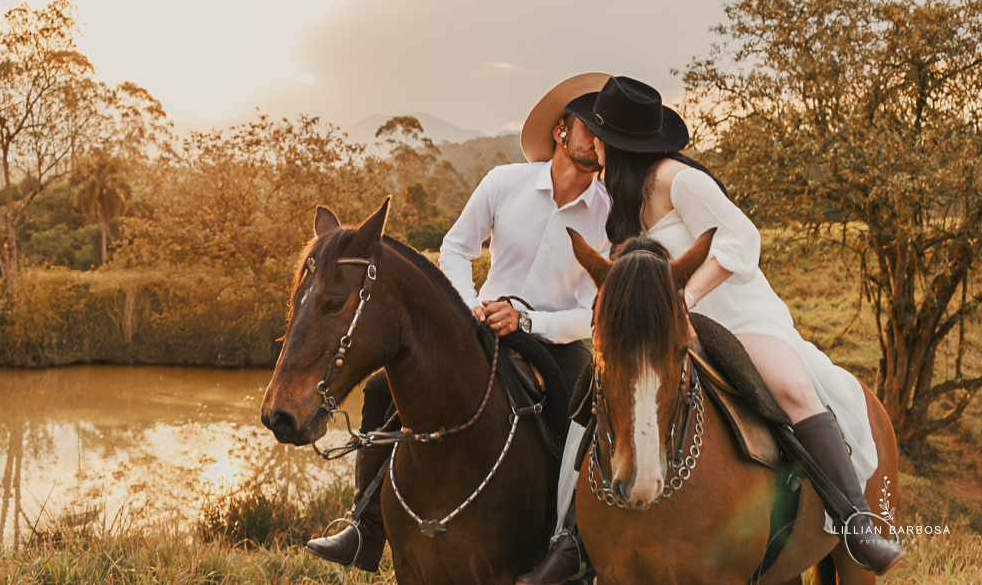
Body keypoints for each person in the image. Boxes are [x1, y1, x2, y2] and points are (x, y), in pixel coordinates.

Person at [530, 76, 904, 578]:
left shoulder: (676, 179)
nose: (589, 142)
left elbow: (742, 239)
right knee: (586, 398)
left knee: (791, 386)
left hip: (735, 312)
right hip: (665, 327)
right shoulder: (616, 193)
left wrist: (685, 295)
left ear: (615, 142)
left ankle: (856, 522)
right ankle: (570, 538)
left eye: (596, 133)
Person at [304, 73, 612, 574]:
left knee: (588, 407)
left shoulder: (608, 216)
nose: (599, 141)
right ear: (562, 130)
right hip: (478, 325)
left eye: (608, 135)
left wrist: (529, 321)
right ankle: (366, 528)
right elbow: (456, 247)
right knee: (385, 389)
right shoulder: (503, 183)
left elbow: (595, 312)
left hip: (553, 340)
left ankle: (570, 544)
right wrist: (468, 305)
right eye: (591, 128)